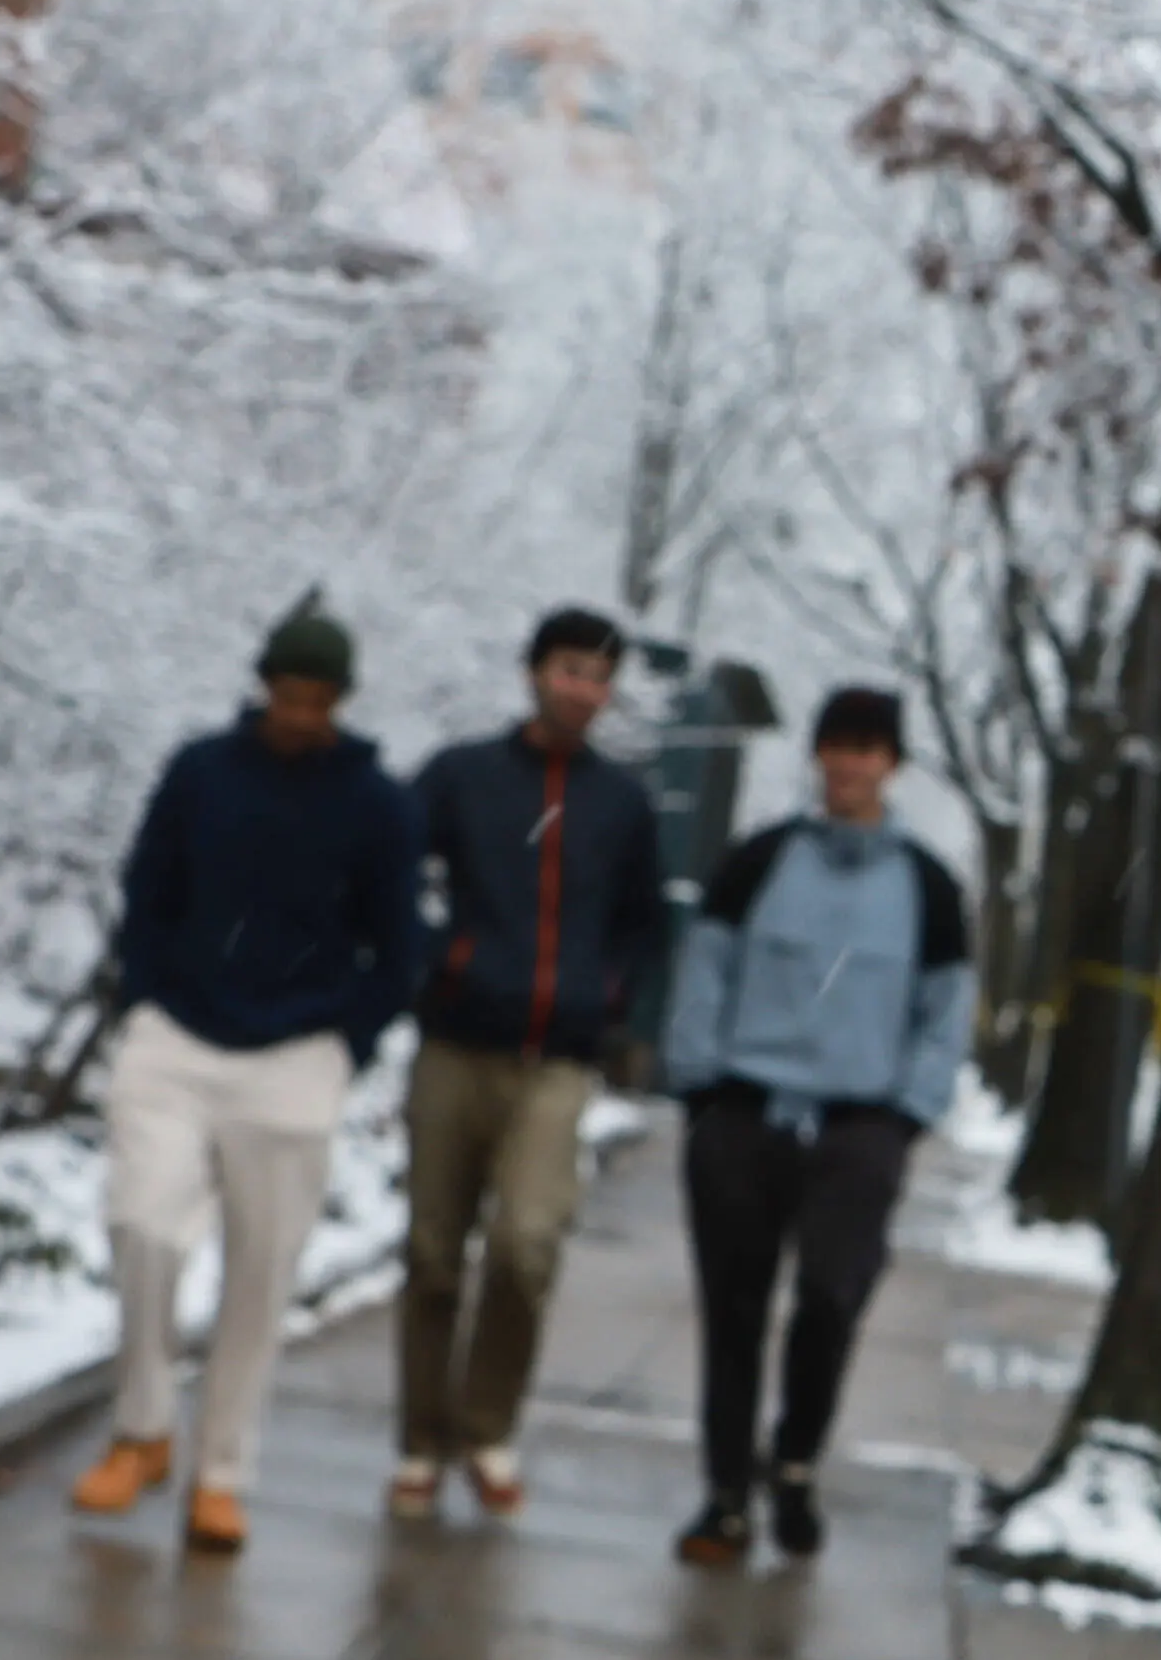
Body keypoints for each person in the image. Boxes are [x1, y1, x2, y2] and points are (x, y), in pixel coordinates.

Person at [73, 604, 410, 1552]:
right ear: (265, 687)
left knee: (263, 1272)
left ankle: (223, 1473)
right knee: (144, 1223)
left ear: (340, 702)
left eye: (319, 699)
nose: (302, 713)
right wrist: (144, 993)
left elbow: (398, 943)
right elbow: (148, 889)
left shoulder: (377, 803)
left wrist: (350, 1038)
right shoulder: (202, 774)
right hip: (179, 1033)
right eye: (289, 694)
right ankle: (142, 1429)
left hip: (298, 1051)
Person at [661, 681, 977, 1567]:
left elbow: (944, 1007)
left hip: (858, 1129)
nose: (849, 764)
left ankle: (794, 1462)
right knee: (734, 1310)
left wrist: (908, 1112)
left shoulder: (927, 887)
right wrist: (701, 1088)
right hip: (744, 1114)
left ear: (892, 764)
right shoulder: (758, 861)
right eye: (836, 745)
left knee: (832, 1301)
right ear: (817, 756)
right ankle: (725, 1495)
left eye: (868, 749)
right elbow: (706, 970)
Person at [387, 603, 673, 1516]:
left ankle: (489, 1425)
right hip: (456, 1043)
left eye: (599, 676)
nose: (583, 690)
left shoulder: (622, 803)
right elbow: (389, 869)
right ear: (534, 673)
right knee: (434, 1250)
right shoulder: (465, 777)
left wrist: (613, 997)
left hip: (558, 1057)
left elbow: (643, 922)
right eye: (569, 670)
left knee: (525, 1242)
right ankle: (420, 1441)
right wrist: (436, 957)